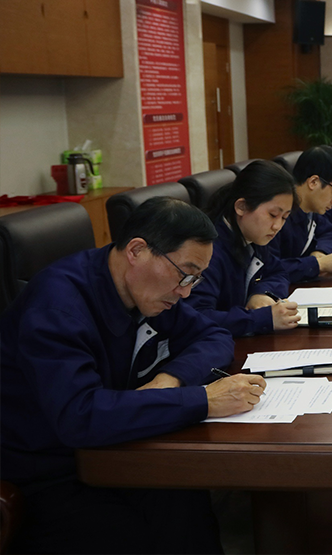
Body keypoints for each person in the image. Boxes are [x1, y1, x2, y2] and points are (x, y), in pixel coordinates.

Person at [0, 196, 265, 554]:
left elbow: (214, 336)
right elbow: (79, 415)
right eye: (185, 273)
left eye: (195, 279)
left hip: (113, 452)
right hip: (47, 473)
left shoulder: (145, 289)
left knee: (183, 502)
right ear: (137, 251)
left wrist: (171, 379)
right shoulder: (57, 306)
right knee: (139, 532)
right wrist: (203, 400)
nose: (186, 291)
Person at [187, 160, 300, 337]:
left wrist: (262, 294)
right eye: (273, 215)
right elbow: (197, 317)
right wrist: (262, 318)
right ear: (241, 207)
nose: (277, 226)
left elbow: (278, 271)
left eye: (284, 217)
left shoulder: (252, 236)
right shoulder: (207, 251)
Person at [271, 145, 332, 281]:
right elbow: (269, 269)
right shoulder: (278, 216)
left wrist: (321, 251)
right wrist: (317, 264)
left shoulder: (311, 211)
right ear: (313, 182)